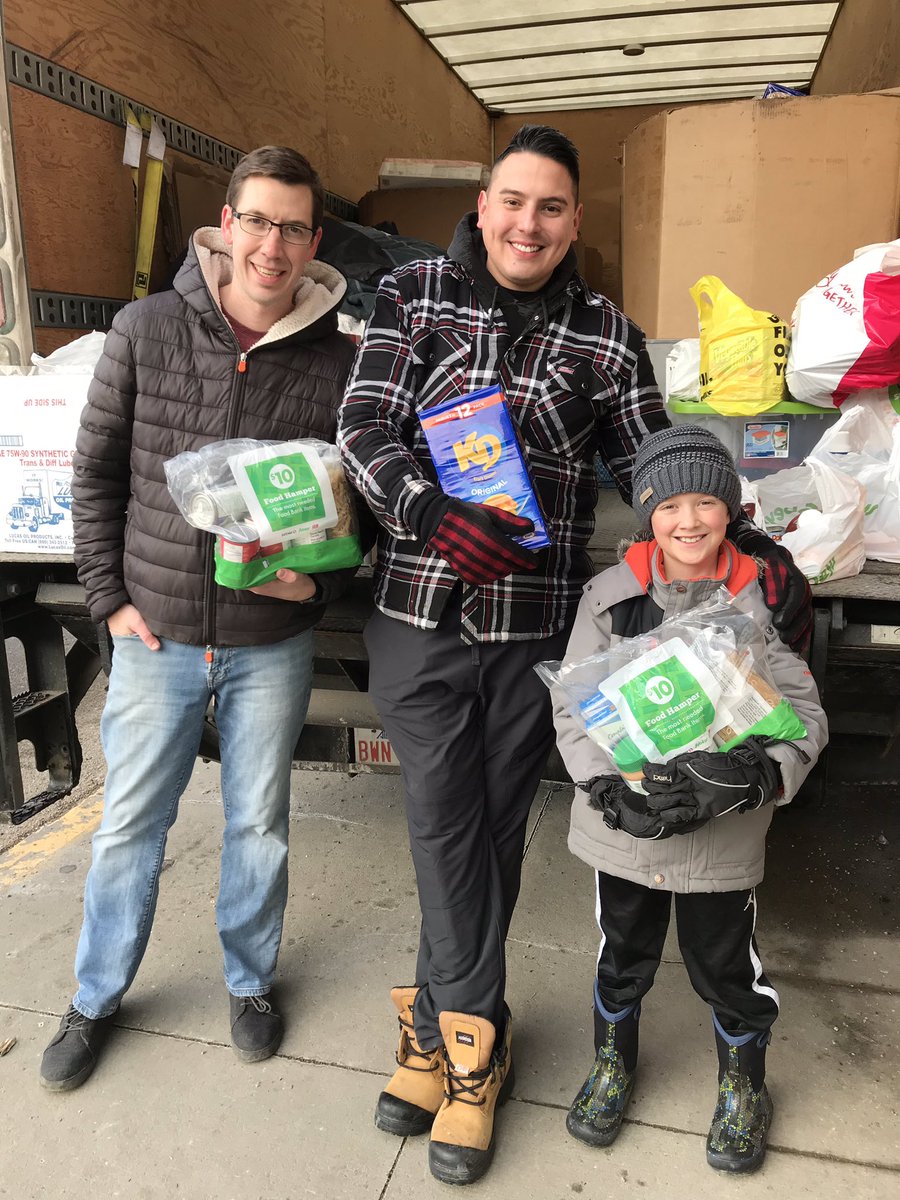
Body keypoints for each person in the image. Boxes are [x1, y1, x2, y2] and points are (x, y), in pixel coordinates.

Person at [337, 124, 812, 1185]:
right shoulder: (413, 295)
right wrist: (426, 512)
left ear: (574, 222)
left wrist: (746, 539)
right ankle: (474, 1039)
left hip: (532, 627)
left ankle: (439, 1037)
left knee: (494, 832)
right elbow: (361, 427)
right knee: (442, 824)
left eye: (550, 208)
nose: (528, 224)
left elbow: (655, 463)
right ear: (484, 207)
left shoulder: (606, 334)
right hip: (417, 612)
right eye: (513, 201)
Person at [40, 146, 357, 1092]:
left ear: (314, 242)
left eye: (292, 228)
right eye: (257, 221)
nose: (272, 246)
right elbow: (95, 477)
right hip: (158, 634)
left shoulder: (340, 361)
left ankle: (250, 983)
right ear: (226, 224)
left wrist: (315, 591)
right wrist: (109, 600)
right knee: (129, 824)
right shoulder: (145, 329)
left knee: (259, 823)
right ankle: (95, 996)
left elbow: (357, 515)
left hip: (271, 643)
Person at [552, 424, 827, 1174]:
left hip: (722, 838)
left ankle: (744, 1087)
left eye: (706, 501)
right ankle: (612, 1064)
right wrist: (603, 785)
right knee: (623, 952)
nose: (689, 520)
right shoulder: (610, 599)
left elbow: (805, 715)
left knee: (725, 965)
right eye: (670, 505)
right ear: (648, 513)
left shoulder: (761, 599)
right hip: (627, 829)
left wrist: (761, 775)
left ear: (729, 509)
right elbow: (573, 706)